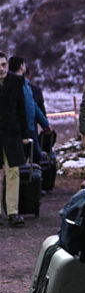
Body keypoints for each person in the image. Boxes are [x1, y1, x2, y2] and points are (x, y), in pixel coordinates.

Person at [0, 51, 30, 227]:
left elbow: (21, 109)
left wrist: (25, 134)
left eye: (3, 65)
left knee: (13, 172)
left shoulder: (16, 81)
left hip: (12, 133)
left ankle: (13, 212)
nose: (1, 69)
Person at [8, 56, 50, 164]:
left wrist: (44, 123)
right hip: (24, 130)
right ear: (21, 67)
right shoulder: (16, 85)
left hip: (26, 129)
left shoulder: (24, 85)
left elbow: (33, 106)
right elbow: (30, 107)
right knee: (35, 158)